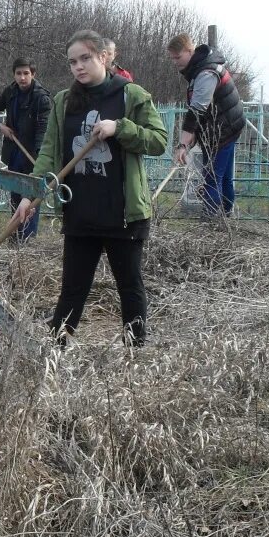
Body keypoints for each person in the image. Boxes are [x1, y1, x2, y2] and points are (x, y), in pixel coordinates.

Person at [13, 30, 166, 345]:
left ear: (104, 57)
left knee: (130, 285)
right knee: (72, 286)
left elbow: (158, 141)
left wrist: (120, 128)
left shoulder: (131, 95)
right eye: (72, 61)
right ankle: (55, 352)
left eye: (85, 58)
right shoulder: (64, 101)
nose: (78, 67)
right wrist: (30, 193)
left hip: (122, 213)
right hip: (80, 209)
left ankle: (135, 352)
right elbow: (49, 153)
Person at [167, 33, 245, 217]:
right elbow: (205, 109)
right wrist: (193, 135)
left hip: (224, 130)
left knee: (212, 178)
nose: (175, 62)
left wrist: (183, 144)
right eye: (172, 58)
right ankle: (226, 217)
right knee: (223, 177)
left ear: (189, 50)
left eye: (178, 57)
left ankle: (210, 222)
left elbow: (197, 109)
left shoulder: (206, 73)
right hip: (225, 125)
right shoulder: (201, 68)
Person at [0, 57, 52, 240]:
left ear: (33, 74)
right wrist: (0, 125)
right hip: (14, 151)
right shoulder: (11, 91)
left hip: (32, 155)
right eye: (18, 73)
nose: (22, 78)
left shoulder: (42, 98)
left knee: (30, 197)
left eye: (26, 73)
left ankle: (27, 238)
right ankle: (15, 233)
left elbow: (43, 131)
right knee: (15, 194)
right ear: (14, 75)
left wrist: (38, 158)